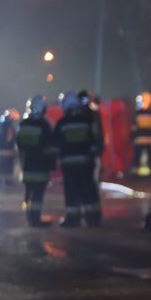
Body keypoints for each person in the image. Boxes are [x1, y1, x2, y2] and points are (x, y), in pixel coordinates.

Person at [54, 90, 103, 227]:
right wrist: (93, 159)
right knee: (88, 189)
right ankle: (92, 218)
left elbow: (57, 145)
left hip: (69, 164)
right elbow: (94, 142)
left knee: (71, 191)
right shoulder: (87, 121)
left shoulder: (62, 123)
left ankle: (72, 218)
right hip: (85, 162)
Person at [16, 95, 57, 227]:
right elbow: (50, 147)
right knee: (38, 195)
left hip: (27, 166)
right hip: (40, 167)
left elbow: (19, 145)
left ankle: (30, 217)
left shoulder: (23, 124)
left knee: (29, 193)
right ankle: (35, 220)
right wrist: (52, 165)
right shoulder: (45, 124)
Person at [132, 91, 151, 176]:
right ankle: (136, 172)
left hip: (149, 139)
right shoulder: (138, 113)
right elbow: (134, 127)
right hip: (141, 139)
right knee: (137, 156)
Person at [0, 107, 20, 186]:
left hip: (1, 151)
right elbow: (10, 138)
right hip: (8, 151)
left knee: (1, 165)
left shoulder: (1, 126)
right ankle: (7, 180)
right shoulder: (10, 127)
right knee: (8, 166)